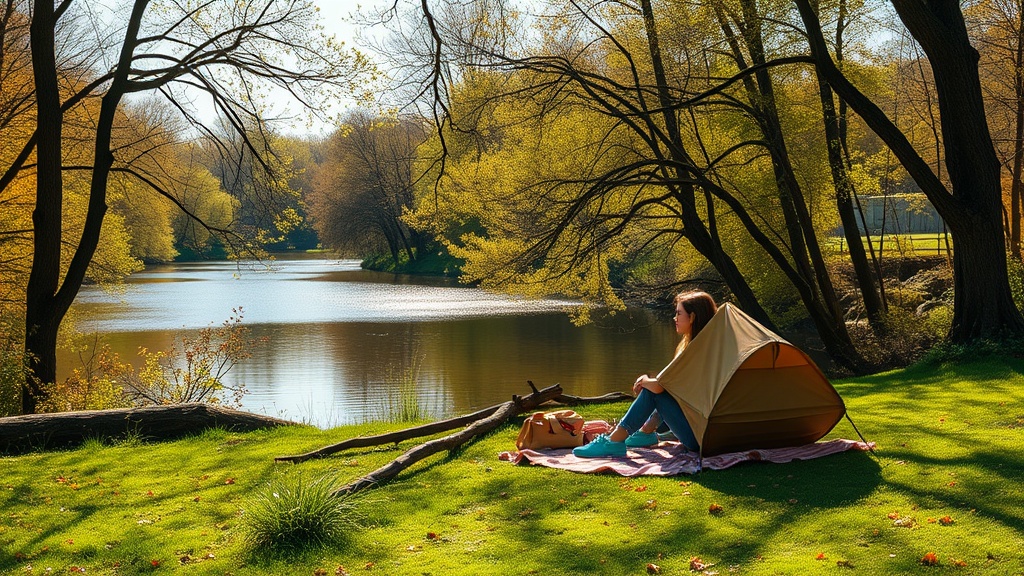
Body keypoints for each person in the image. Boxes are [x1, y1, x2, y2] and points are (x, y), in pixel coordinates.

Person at [572, 290, 718, 458]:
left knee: (652, 392)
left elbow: (659, 387)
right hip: (702, 432)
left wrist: (644, 381)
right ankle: (645, 432)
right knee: (658, 391)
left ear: (692, 317)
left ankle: (614, 441)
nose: (674, 318)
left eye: (679, 314)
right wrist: (650, 383)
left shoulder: (696, 352)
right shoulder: (707, 347)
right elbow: (671, 387)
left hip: (697, 438)